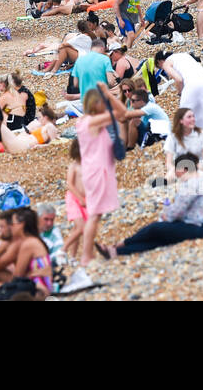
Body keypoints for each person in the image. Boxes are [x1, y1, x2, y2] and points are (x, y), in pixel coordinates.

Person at [97, 153, 203, 257]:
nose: (176, 175)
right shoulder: (202, 178)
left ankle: (121, 244)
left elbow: (177, 211)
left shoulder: (192, 184)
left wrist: (165, 216)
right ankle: (116, 252)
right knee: (161, 239)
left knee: (155, 228)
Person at [75, 86, 121, 279]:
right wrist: (110, 95)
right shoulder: (92, 121)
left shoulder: (83, 121)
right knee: (94, 214)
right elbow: (121, 112)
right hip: (97, 171)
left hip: (92, 170)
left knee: (95, 214)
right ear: (96, 103)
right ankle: (86, 256)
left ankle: (88, 254)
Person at [155, 50, 203, 137]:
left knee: (184, 116)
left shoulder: (166, 63)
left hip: (192, 86)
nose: (164, 70)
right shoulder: (184, 55)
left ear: (159, 61)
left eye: (161, 68)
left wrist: (180, 93)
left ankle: (183, 142)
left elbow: (179, 79)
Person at [164, 106, 203, 179]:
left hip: (197, 165)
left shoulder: (201, 134)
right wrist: (175, 171)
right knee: (169, 177)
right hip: (179, 166)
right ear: (181, 121)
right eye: (189, 117)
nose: (193, 119)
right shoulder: (172, 137)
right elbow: (168, 163)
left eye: (193, 116)